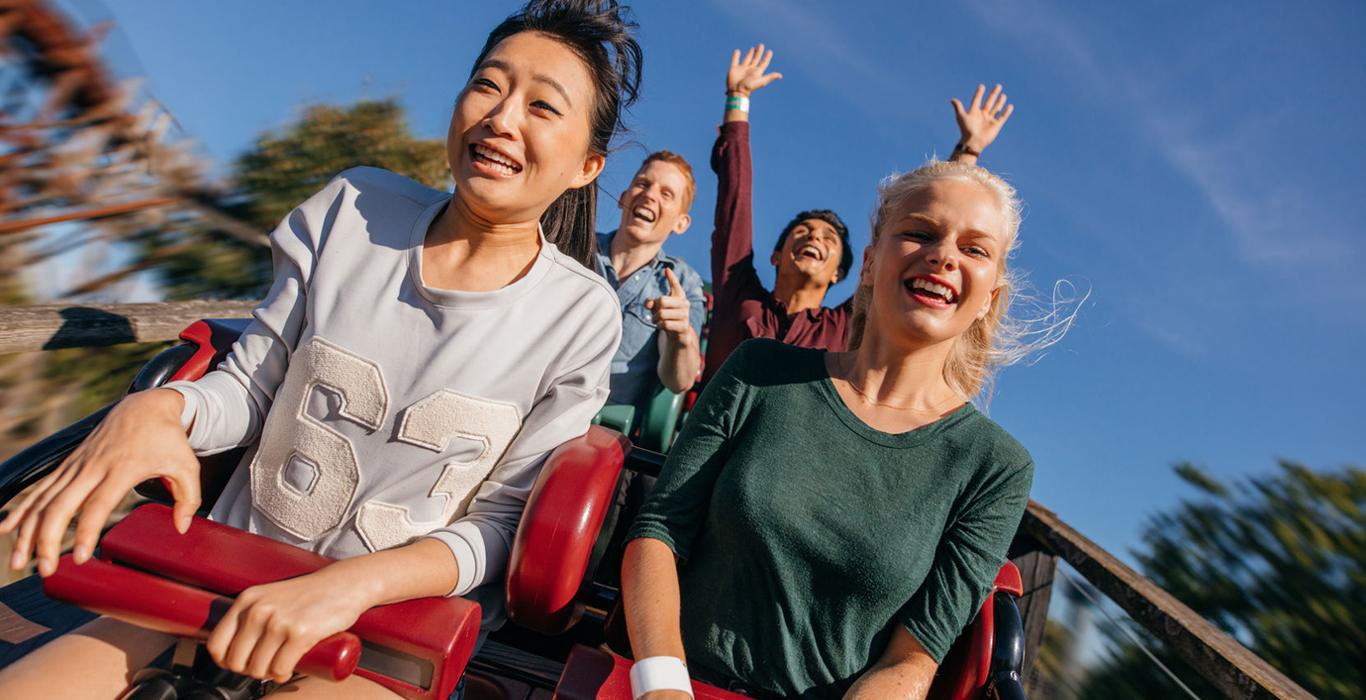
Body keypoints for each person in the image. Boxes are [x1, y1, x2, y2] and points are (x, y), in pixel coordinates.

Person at [0, 1, 642, 698]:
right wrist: (158, 410)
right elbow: (249, 389)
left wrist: (347, 588)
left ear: (587, 165)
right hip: (213, 577)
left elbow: (499, 526)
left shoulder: (581, 313)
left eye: (543, 107)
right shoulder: (353, 206)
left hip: (380, 635)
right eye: (488, 84)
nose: (502, 118)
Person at [622, 161, 1041, 700]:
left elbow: (914, 657)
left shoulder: (997, 467)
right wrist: (662, 686)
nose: (942, 256)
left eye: (974, 249)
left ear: (991, 299)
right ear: (868, 265)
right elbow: (659, 529)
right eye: (919, 232)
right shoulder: (757, 370)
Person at [703, 45, 1015, 384]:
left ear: (842, 272)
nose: (813, 237)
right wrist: (738, 98)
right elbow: (734, 201)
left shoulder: (846, 325)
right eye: (803, 230)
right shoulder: (738, 291)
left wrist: (967, 151)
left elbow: (921, 218)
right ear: (776, 255)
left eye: (828, 238)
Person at [595, 151, 707, 412]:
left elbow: (680, 381)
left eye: (666, 194)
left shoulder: (683, 283)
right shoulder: (574, 245)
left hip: (600, 429)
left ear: (681, 223)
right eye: (643, 184)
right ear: (623, 198)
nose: (650, 195)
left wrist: (680, 335)